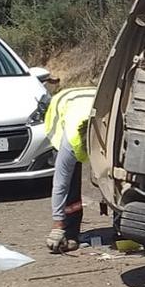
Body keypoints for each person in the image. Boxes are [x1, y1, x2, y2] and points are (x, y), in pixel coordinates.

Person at [43, 86, 98, 253]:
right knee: (70, 184)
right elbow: (60, 184)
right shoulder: (70, 142)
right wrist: (57, 226)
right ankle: (69, 232)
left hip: (93, 97)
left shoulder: (111, 131)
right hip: (63, 104)